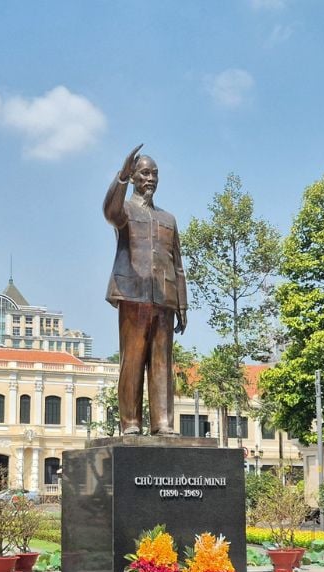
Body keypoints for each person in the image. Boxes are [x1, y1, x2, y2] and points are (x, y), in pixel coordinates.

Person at [103, 144, 188, 436]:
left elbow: (177, 265)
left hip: (163, 299)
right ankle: (131, 423)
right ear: (135, 177)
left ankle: (162, 422)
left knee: (162, 362)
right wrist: (121, 178)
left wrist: (182, 306)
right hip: (133, 294)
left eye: (154, 174)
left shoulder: (168, 219)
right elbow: (110, 211)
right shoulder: (125, 210)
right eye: (144, 173)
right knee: (133, 360)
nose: (150, 178)